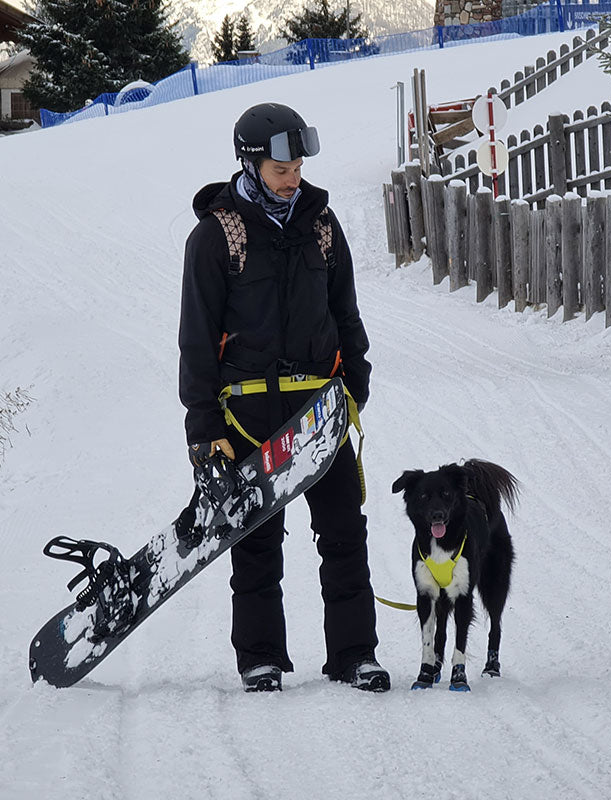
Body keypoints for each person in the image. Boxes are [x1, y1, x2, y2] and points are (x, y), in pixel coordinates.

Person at [177, 102, 389, 694]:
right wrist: (202, 426)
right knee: (256, 538)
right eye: (280, 170)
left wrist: (357, 386)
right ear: (249, 163)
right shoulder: (217, 235)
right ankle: (260, 657)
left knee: (345, 530)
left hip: (320, 407)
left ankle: (354, 654)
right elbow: (195, 336)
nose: (293, 178)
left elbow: (346, 313)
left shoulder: (322, 226)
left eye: (296, 167)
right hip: (245, 414)